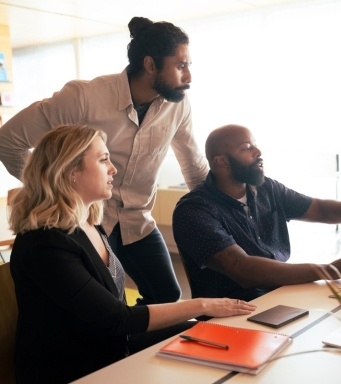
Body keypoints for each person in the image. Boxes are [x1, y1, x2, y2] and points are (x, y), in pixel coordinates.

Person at [8, 125, 255, 384]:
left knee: (213, 336)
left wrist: (202, 313)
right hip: (76, 369)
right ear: (70, 171)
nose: (113, 169)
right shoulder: (44, 244)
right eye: (104, 160)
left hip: (110, 346)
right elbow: (115, 318)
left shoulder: (89, 224)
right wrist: (202, 304)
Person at [0, 17, 209, 305]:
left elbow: (194, 165)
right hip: (82, 221)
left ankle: (133, 344)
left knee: (167, 296)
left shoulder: (178, 106)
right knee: (105, 306)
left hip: (137, 221)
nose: (189, 76)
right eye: (181, 65)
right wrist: (53, 189)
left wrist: (219, 211)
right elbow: (8, 140)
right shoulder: (84, 98)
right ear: (150, 65)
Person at [173, 124, 341, 301]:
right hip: (233, 314)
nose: (258, 152)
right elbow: (243, 269)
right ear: (222, 162)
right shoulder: (194, 211)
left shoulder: (266, 188)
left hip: (279, 296)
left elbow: (318, 209)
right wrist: (330, 270)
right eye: (247, 148)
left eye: (255, 145)